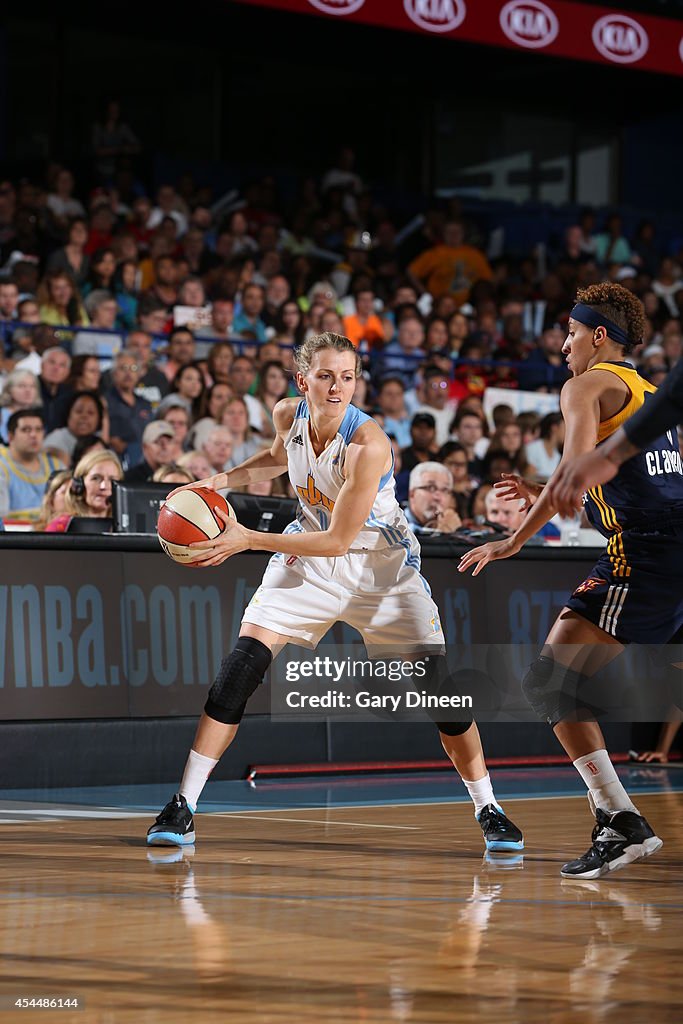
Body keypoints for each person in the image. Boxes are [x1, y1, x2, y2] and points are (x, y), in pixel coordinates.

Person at [147, 332, 523, 853]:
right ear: (303, 380)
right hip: (310, 563)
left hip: (381, 572)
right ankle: (183, 805)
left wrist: (246, 540)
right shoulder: (287, 414)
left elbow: (339, 539)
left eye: (347, 377)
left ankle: (489, 807)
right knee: (241, 667)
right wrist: (212, 484)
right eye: (325, 376)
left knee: (442, 693)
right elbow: (277, 458)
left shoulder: (368, 444)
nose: (337, 387)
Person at [458, 283, 683, 878]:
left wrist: (512, 540)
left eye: (572, 333)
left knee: (549, 683)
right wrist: (550, 488)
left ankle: (620, 820)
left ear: (599, 335)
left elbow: (577, 470)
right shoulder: (652, 393)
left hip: (647, 552)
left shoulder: (584, 385)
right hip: (663, 547)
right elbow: (599, 475)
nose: (564, 346)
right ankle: (619, 818)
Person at [0, 409, 63, 523]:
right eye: (26, 430)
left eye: (38, 430)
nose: (34, 435)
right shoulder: (2, 467)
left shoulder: (57, 466)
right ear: (10, 437)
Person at [45, 449, 123, 532]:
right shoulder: (62, 526)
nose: (103, 486)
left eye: (112, 480)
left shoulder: (126, 527)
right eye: (96, 478)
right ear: (79, 484)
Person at [405, 462, 461, 534]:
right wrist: (444, 533)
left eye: (444, 490)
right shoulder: (394, 526)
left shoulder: (453, 526)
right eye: (430, 488)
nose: (438, 497)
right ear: (412, 494)